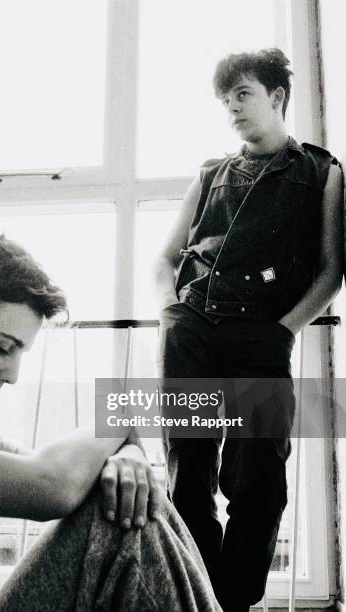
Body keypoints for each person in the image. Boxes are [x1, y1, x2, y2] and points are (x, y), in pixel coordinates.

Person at [0, 231, 221, 611]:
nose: (12, 375)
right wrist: (119, 422)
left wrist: (128, 456)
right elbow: (52, 485)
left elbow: (75, 470)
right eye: (2, 347)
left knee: (126, 502)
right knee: (123, 518)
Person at [153, 48, 343, 611]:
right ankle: (197, 595)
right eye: (225, 100)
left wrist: (282, 330)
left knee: (259, 477)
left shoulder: (322, 171)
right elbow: (165, 257)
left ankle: (236, 600)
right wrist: (172, 310)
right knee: (188, 474)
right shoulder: (211, 174)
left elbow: (332, 271)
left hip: (261, 339)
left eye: (243, 94)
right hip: (191, 333)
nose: (232, 108)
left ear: (277, 97)